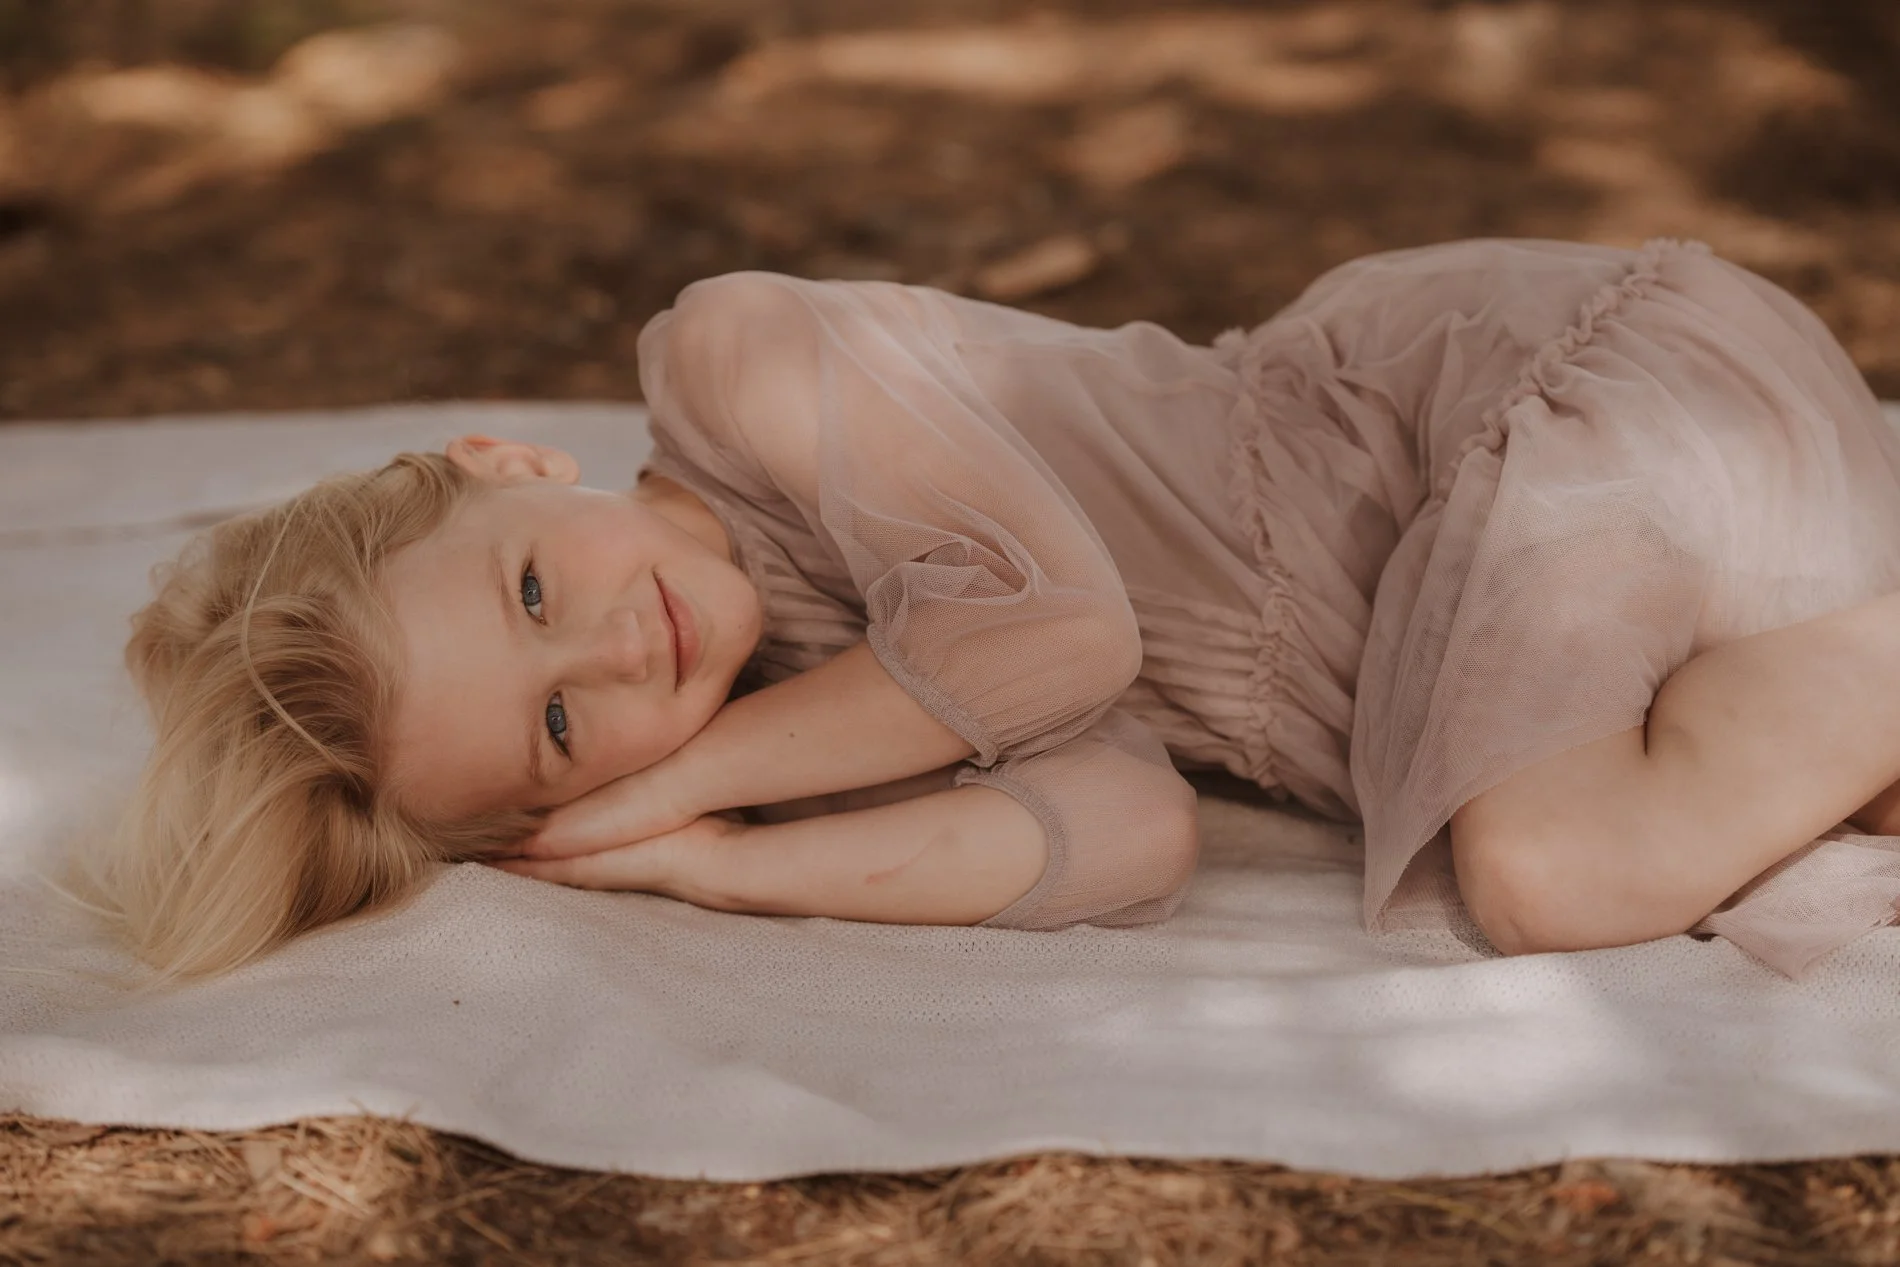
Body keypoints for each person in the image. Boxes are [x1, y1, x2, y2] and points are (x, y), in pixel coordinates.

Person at [80, 237, 1900, 981]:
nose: (616, 649)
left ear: (505, 463)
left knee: (1546, 872)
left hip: (1559, 402)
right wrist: (714, 863)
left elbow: (1050, 634)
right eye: (564, 726)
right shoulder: (828, 716)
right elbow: (1124, 832)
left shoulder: (739, 364)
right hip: (1625, 580)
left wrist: (669, 779)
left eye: (536, 588)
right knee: (1793, 819)